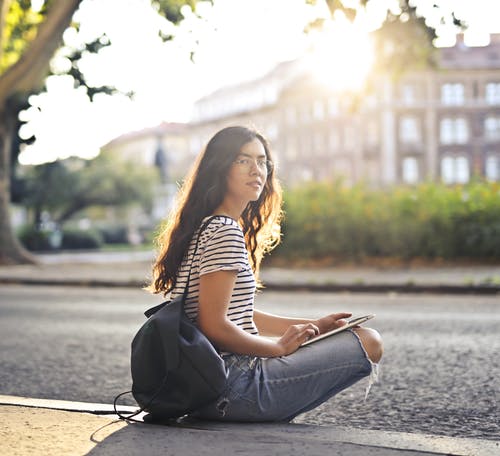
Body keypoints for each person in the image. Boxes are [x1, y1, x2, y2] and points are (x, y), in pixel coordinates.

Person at [149, 125, 383, 422]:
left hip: (203, 389)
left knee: (348, 335)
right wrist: (276, 348)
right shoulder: (224, 231)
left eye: (262, 161)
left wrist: (315, 326)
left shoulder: (205, 226)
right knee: (368, 340)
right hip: (233, 388)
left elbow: (238, 313)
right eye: (243, 160)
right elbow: (214, 325)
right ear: (219, 168)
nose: (256, 170)